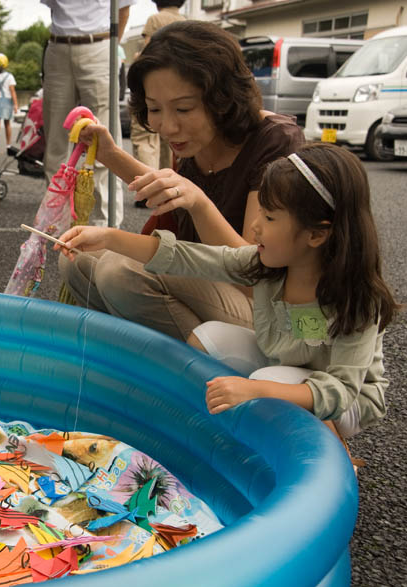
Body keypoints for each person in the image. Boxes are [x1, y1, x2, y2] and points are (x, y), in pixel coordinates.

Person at [58, 142, 399, 454]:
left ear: (317, 234)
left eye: (269, 217)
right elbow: (189, 257)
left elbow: (339, 390)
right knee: (209, 339)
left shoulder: (357, 298)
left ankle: (324, 452)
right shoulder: (269, 265)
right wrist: (108, 238)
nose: (254, 229)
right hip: (285, 365)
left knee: (268, 385)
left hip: (346, 399)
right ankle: (206, 432)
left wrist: (256, 391)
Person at [59, 21, 304, 342]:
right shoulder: (197, 135)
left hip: (264, 308)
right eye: (154, 109)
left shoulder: (277, 144)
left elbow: (254, 272)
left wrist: (199, 204)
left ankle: (199, 372)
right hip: (204, 282)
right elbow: (172, 194)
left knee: (121, 275)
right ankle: (134, 360)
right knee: (76, 260)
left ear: (223, 97)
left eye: (184, 108)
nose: (168, 126)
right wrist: (109, 154)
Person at [41, 0, 134, 228]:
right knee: (55, 142)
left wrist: (110, 46)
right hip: (58, 47)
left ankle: (107, 224)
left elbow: (123, 10)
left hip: (100, 44)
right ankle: (56, 223)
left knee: (106, 138)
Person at [131, 0, 185, 208]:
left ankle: (148, 190)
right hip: (179, 89)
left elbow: (148, 54)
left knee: (145, 138)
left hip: (155, 87)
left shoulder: (156, 19)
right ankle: (167, 189)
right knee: (170, 142)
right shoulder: (186, 21)